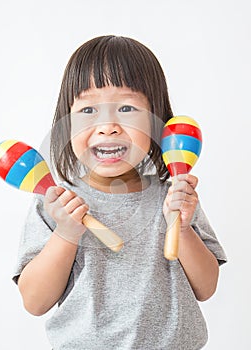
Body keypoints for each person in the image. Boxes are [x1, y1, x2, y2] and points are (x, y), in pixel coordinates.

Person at [13, 35, 227, 350]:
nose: (107, 126)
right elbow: (35, 302)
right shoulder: (55, 203)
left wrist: (181, 227)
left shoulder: (174, 197)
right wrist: (67, 232)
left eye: (126, 107)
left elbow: (205, 288)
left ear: (157, 124)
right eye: (88, 110)